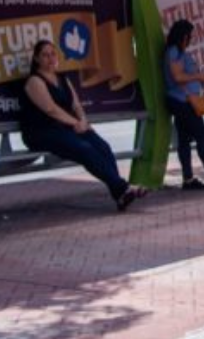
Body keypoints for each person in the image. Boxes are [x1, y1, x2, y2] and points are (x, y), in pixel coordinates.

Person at [21, 39, 146, 211]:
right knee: (84, 148)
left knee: (103, 146)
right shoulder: (34, 81)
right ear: (36, 59)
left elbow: (76, 105)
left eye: (53, 54)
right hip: (42, 132)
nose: (50, 58)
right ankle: (122, 189)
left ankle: (120, 194)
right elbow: (51, 109)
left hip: (67, 127)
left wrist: (84, 121)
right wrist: (77, 123)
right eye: (45, 55)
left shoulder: (62, 78)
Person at [164, 19, 204, 190]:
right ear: (183, 36)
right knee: (201, 135)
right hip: (182, 101)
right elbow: (178, 77)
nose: (191, 39)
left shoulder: (177, 52)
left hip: (183, 100)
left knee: (184, 139)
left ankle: (188, 178)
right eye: (189, 36)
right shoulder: (174, 52)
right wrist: (198, 77)